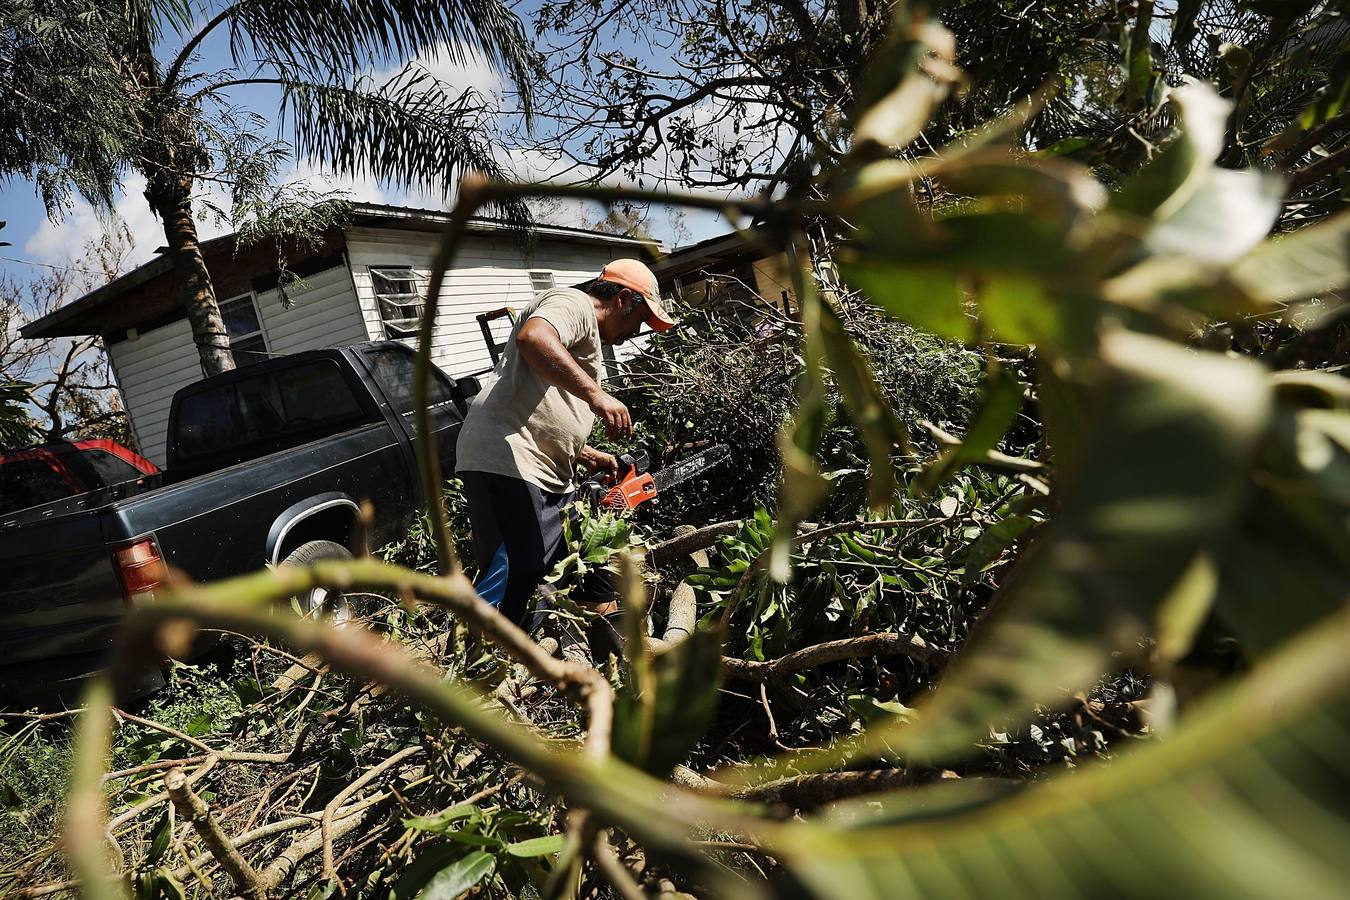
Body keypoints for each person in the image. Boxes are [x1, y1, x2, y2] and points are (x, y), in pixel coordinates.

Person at [455, 259, 676, 628]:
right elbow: (534, 338)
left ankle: (610, 641)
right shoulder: (574, 304)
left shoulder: (585, 331)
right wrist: (597, 396)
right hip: (509, 461)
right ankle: (478, 652)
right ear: (623, 299)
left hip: (546, 470)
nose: (637, 330)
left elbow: (542, 401)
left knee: (587, 565)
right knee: (518, 575)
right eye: (640, 319)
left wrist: (582, 452)